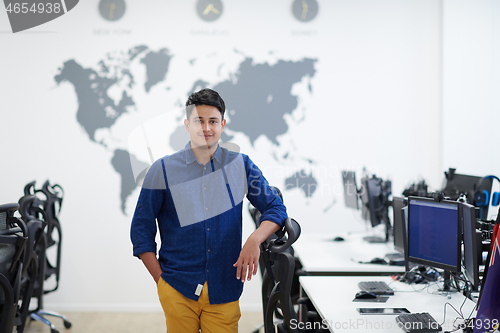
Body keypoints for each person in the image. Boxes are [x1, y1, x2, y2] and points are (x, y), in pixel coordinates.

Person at [130, 88, 288, 333]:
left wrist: (254, 239)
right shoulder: (162, 169)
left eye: (212, 121)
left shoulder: (241, 165)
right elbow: (141, 230)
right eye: (198, 121)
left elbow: (275, 207)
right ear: (187, 124)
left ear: (222, 124)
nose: (206, 127)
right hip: (177, 287)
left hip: (224, 288)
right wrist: (162, 282)